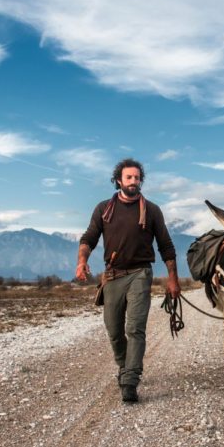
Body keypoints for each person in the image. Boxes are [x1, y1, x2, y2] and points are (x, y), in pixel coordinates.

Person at [76, 158, 181, 403]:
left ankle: (131, 379)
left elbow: (166, 246)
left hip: (140, 274)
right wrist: (81, 261)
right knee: (114, 329)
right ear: (118, 181)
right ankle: (124, 366)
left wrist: (173, 279)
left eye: (137, 177)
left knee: (135, 328)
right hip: (112, 276)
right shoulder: (103, 208)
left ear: (141, 180)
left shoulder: (152, 210)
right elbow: (89, 237)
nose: (134, 181)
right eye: (129, 177)